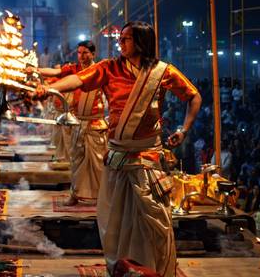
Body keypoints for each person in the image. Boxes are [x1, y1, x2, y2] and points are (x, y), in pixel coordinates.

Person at [35, 21, 201, 277]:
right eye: (120, 39)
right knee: (115, 221)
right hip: (117, 158)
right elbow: (77, 79)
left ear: (142, 42)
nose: (120, 43)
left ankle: (151, 270)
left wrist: (184, 130)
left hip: (147, 160)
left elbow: (193, 96)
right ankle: (123, 267)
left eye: (126, 39)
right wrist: (50, 88)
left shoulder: (163, 72)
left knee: (153, 221)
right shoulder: (109, 68)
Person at [32, 40, 108, 206]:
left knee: (98, 163)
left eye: (85, 53)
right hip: (77, 122)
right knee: (76, 161)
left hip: (96, 124)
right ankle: (75, 194)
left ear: (93, 54)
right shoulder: (73, 70)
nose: (82, 56)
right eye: (79, 53)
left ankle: (103, 197)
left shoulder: (101, 70)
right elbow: (55, 72)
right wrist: (35, 70)